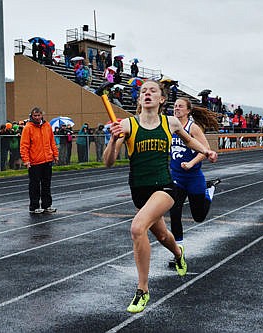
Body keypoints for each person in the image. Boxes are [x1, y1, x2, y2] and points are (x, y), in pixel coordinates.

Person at [103, 80, 218, 313]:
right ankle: (178, 254)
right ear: (138, 99)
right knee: (164, 235)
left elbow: (189, 140)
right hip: (139, 191)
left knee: (137, 229)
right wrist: (114, 139)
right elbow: (109, 162)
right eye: (143, 91)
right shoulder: (126, 124)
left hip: (165, 188)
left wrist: (205, 151)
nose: (147, 93)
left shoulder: (171, 122)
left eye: (152, 90)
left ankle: (142, 290)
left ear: (161, 99)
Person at [168, 98, 221, 266]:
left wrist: (190, 163)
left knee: (198, 217)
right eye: (175, 106)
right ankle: (179, 253)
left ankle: (209, 191)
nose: (176, 108)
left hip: (194, 178)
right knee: (174, 214)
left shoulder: (193, 128)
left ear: (188, 110)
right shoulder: (169, 126)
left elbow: (205, 150)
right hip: (176, 178)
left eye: (180, 106)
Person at [20, 107, 59, 214]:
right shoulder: (28, 128)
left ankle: (47, 205)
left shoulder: (47, 126)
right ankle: (34, 206)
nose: (37, 117)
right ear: (31, 116)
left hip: (47, 160)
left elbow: (52, 142)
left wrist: (55, 155)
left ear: (42, 115)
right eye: (35, 116)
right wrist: (26, 160)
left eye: (39, 115)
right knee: (35, 185)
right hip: (34, 161)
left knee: (46, 184)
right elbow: (24, 145)